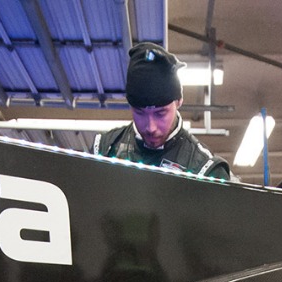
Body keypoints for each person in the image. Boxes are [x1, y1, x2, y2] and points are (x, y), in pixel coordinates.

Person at [94, 43, 231, 180]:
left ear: (179, 101)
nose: (151, 127)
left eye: (160, 113)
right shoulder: (104, 150)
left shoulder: (205, 170)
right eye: (140, 113)